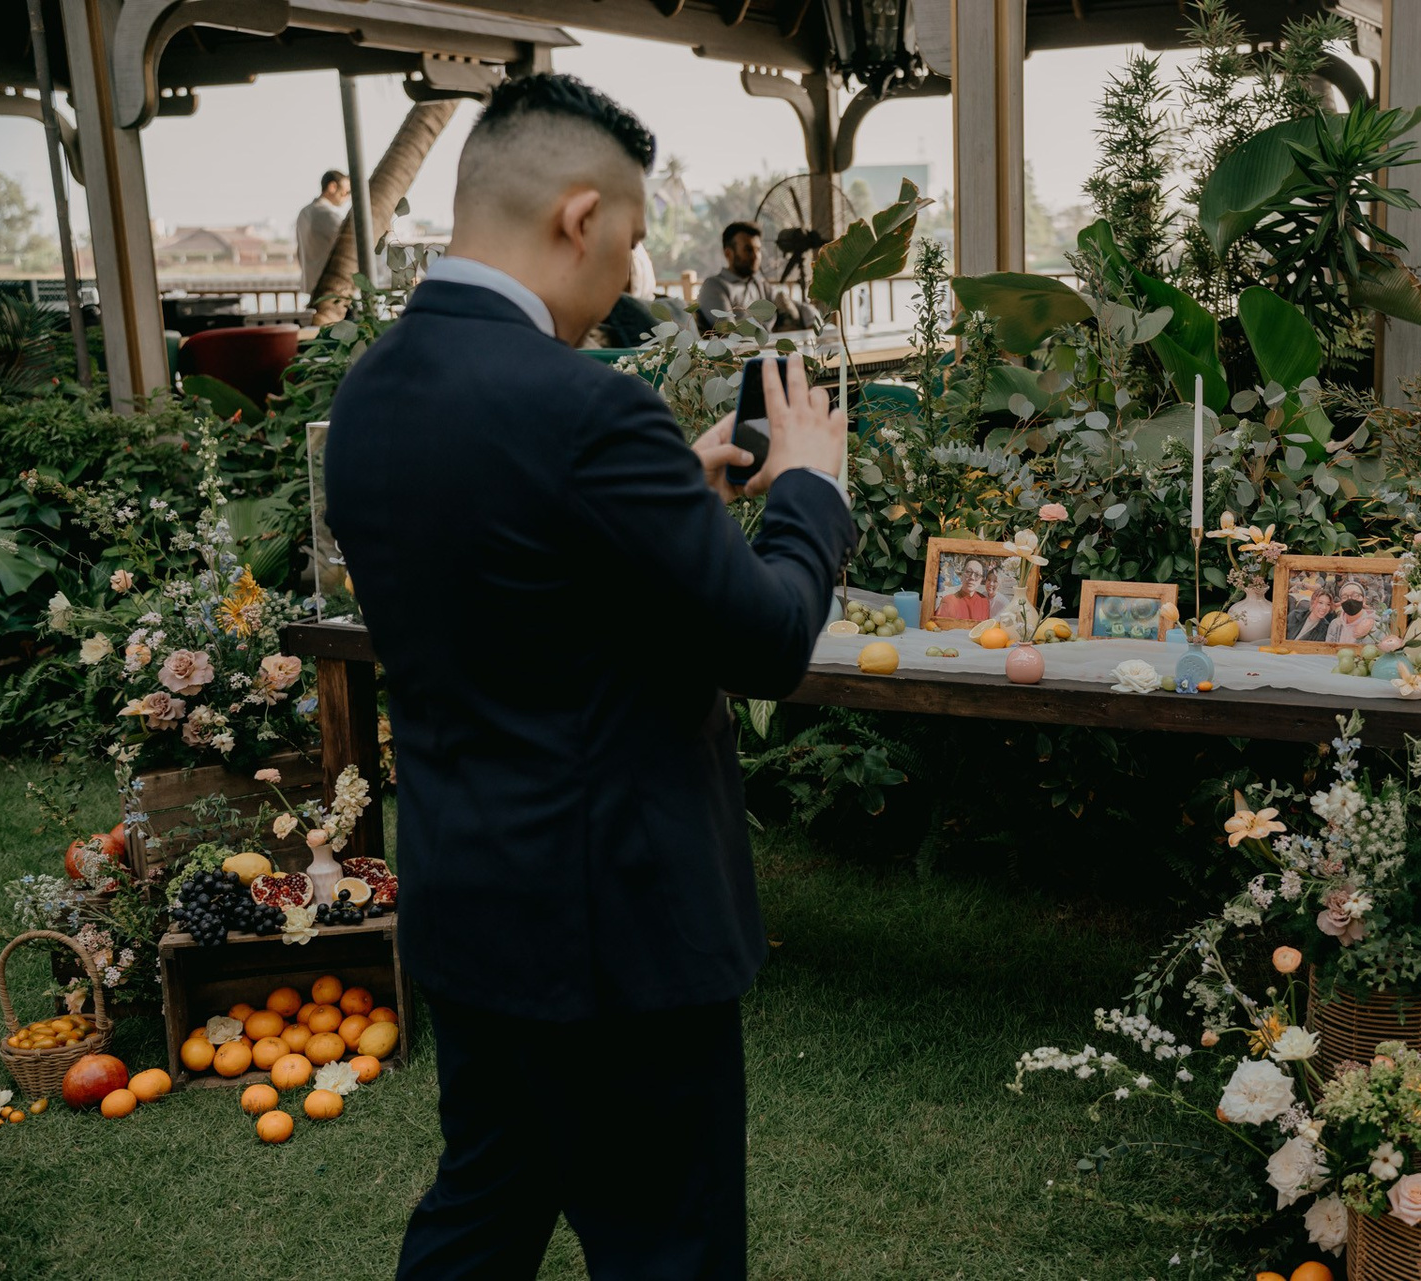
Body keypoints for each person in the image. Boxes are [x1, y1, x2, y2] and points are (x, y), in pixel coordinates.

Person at [324, 74, 853, 1279]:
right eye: (628, 240)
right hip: (619, 936)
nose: (627, 275)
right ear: (579, 218)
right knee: (669, 1246)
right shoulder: (583, 410)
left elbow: (513, 587)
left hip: (471, 902)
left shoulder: (372, 390)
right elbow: (768, 641)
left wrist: (676, 509)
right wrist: (811, 491)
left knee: (481, 1215)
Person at [696, 221, 819, 331]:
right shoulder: (714, 287)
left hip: (771, 346)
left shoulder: (759, 283)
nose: (756, 256)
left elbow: (801, 307)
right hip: (745, 349)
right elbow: (729, 333)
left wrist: (812, 324)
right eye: (748, 250)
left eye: (758, 249)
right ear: (728, 254)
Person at [294, 169, 350, 294]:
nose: (347, 197)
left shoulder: (304, 212)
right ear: (332, 187)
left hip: (309, 283)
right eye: (346, 192)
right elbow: (351, 239)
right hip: (329, 286)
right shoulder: (325, 215)